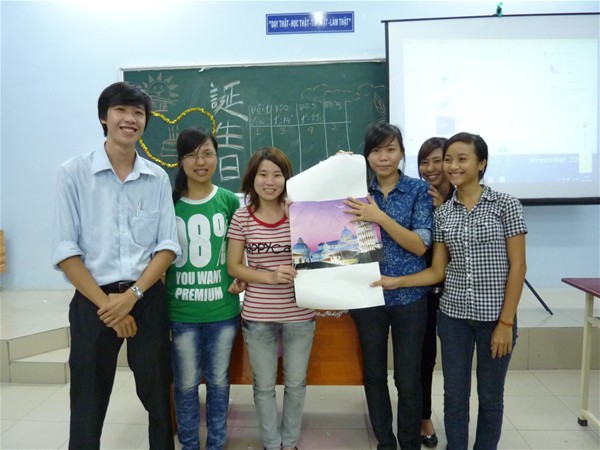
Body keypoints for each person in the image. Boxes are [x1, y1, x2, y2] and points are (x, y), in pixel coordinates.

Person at [372, 132, 527, 449]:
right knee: (455, 396)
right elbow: (437, 271)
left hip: (494, 317)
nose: (452, 166)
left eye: (461, 159)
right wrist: (398, 281)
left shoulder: (506, 205)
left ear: (481, 163)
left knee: (490, 396)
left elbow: (519, 267)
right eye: (448, 160)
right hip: (453, 317)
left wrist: (506, 322)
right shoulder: (443, 212)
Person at [51, 81, 181, 449]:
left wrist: (133, 296)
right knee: (88, 399)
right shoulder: (73, 174)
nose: (130, 119)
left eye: (138, 113)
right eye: (121, 110)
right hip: (93, 301)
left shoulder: (156, 177)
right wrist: (109, 305)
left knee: (158, 393)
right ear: (103, 117)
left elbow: (167, 246)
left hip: (146, 298)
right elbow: (66, 250)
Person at [344, 122, 433, 450]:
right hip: (366, 295)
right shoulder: (354, 191)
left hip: (409, 297)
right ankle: (385, 442)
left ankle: (409, 443)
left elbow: (420, 245)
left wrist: (379, 216)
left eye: (391, 150)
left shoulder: (418, 191)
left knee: (407, 379)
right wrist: (337, 169)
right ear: (366, 156)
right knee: (374, 374)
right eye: (376, 150)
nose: (383, 157)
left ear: (402, 153)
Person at [226, 147, 315, 450]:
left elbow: (319, 256)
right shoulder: (242, 217)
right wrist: (269, 277)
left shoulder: (300, 213)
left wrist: (298, 221)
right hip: (258, 315)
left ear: (287, 179)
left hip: (299, 313)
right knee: (263, 386)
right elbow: (234, 266)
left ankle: (289, 443)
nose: (270, 181)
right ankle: (271, 444)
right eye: (263, 174)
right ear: (252, 179)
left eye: (277, 175)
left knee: (296, 383)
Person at [166, 127, 244, 450]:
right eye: (192, 155)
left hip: (222, 311)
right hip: (181, 312)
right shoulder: (169, 204)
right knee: (185, 384)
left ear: (217, 158)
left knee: (218, 382)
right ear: (181, 161)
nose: (201, 162)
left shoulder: (228, 200)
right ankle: (189, 444)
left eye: (207, 154)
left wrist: (242, 277)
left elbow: (241, 250)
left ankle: (216, 443)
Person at [416, 136, 453, 447]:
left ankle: (456, 418)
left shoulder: (461, 198)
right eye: (424, 162)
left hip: (455, 291)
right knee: (424, 355)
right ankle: (423, 416)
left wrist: (444, 214)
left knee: (454, 360)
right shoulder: (418, 195)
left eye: (437, 161)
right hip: (423, 288)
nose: (430, 168)